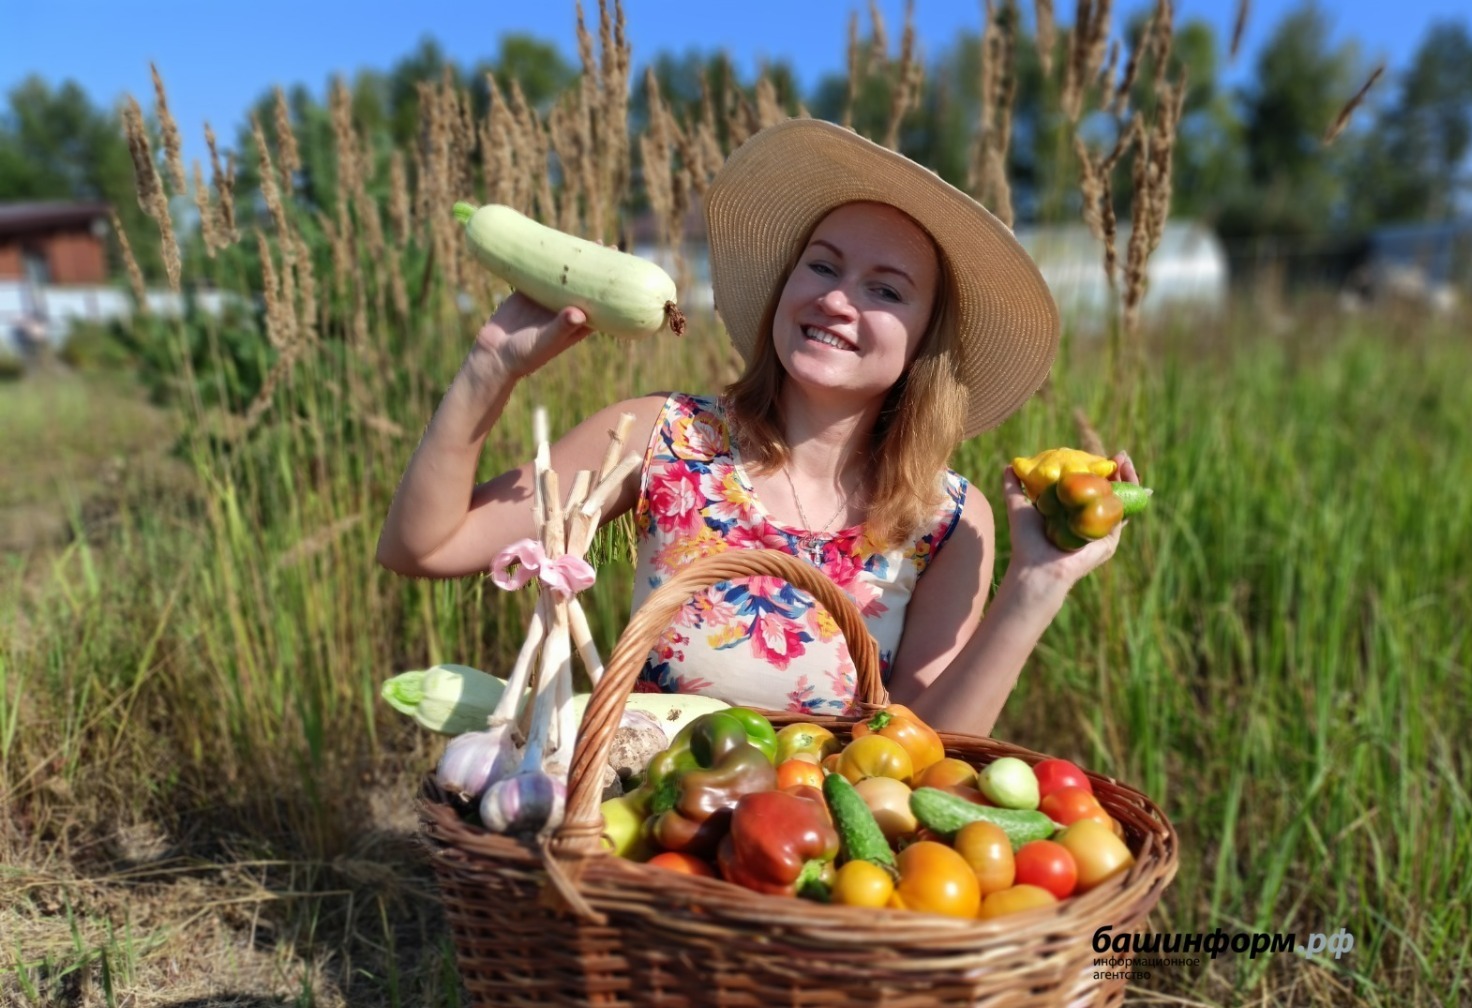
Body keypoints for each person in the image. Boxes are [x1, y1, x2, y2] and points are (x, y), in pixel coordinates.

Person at [376, 118, 1140, 737]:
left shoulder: (946, 518)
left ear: (923, 343)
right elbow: (425, 546)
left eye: (885, 290)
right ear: (785, 284)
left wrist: (1036, 584)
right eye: (822, 265)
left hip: (823, 865)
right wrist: (491, 365)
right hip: (644, 841)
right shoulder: (662, 437)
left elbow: (931, 749)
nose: (837, 300)